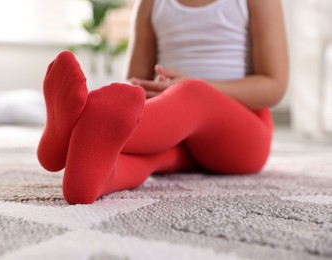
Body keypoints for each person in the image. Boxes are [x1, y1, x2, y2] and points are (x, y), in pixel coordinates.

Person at [37, 0, 288, 204]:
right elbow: (133, 86)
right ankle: (91, 182)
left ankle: (75, 131)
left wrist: (186, 88)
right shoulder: (150, 3)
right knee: (145, 158)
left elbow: (273, 86)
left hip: (243, 139)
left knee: (192, 93)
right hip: (177, 135)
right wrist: (155, 94)